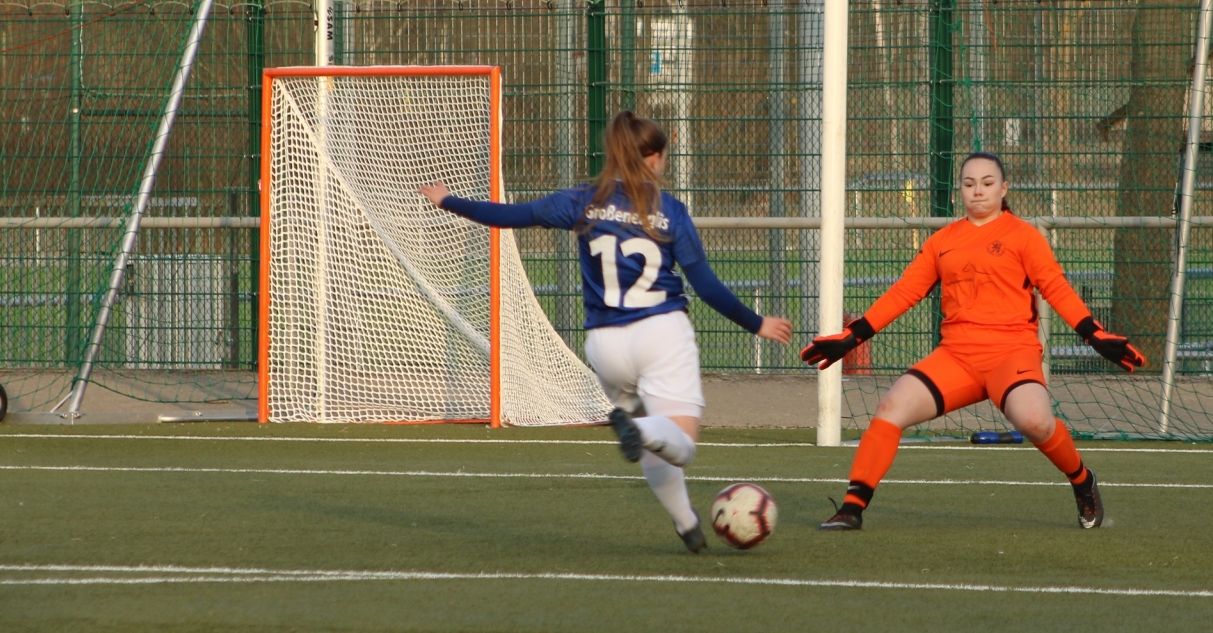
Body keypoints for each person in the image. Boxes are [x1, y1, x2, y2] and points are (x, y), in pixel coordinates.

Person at [421, 110, 793, 553]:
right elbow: (706, 286)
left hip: (605, 345)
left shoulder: (581, 201)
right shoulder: (669, 211)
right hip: (661, 334)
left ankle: (687, 524)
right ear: (654, 158)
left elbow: (509, 215)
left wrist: (449, 200)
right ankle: (643, 433)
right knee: (678, 442)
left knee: (649, 432)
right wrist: (756, 323)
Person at [801, 151, 1144, 532]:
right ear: (958, 191)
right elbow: (904, 292)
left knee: (1035, 422)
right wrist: (853, 336)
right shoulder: (942, 241)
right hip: (956, 357)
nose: (978, 190)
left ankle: (1082, 480)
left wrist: (1093, 333)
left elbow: (1056, 288)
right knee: (890, 407)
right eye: (969, 184)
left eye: (987, 183)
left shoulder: (1024, 236)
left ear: (1004, 188)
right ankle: (851, 509)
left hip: (1012, 354)